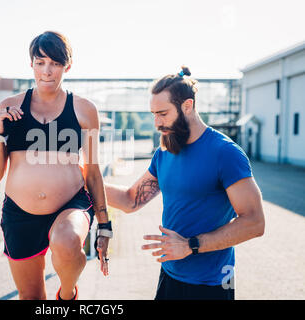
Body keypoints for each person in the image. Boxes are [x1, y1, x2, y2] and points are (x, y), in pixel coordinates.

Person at [104, 67, 265, 300]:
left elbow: (255, 222)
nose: (156, 123)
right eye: (153, 114)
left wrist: (191, 245)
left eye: (163, 114)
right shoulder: (165, 151)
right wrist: (83, 179)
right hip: (170, 275)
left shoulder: (225, 153)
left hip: (213, 283)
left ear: (187, 106)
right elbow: (130, 201)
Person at [0, 31, 112, 300]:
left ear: (67, 66)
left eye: (55, 63)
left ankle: (67, 295)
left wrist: (104, 225)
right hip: (20, 213)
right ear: (31, 64)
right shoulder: (9, 108)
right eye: (40, 62)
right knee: (31, 297)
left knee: (66, 242)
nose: (47, 71)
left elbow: (92, 172)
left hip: (70, 205)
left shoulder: (83, 110)